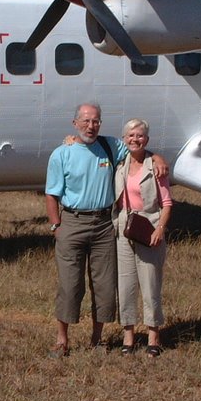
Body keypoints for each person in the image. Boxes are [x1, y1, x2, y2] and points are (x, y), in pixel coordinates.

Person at [45, 103, 166, 357]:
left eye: (96, 121)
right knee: (69, 284)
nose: (91, 126)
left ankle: (98, 339)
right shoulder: (61, 153)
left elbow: (138, 147)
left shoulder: (111, 146)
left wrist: (157, 157)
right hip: (72, 223)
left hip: (103, 225)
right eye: (86, 121)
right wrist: (56, 225)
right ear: (75, 123)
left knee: (104, 284)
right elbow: (52, 193)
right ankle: (62, 339)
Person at [113, 119, 173, 357]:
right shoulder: (120, 164)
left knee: (150, 284)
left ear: (146, 140)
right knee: (125, 285)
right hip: (123, 229)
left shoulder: (156, 167)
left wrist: (160, 229)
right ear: (124, 139)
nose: (135, 139)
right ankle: (128, 336)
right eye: (130, 135)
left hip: (148, 228)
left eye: (139, 136)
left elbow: (167, 203)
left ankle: (153, 336)